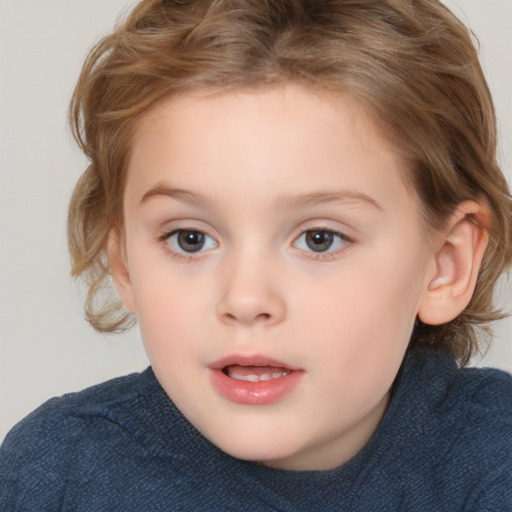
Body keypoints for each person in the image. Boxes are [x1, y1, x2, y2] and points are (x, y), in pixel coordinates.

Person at [1, 0, 511, 510]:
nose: (246, 300)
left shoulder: (493, 457)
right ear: (125, 261)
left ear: (446, 264)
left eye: (319, 239)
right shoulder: (59, 475)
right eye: (190, 238)